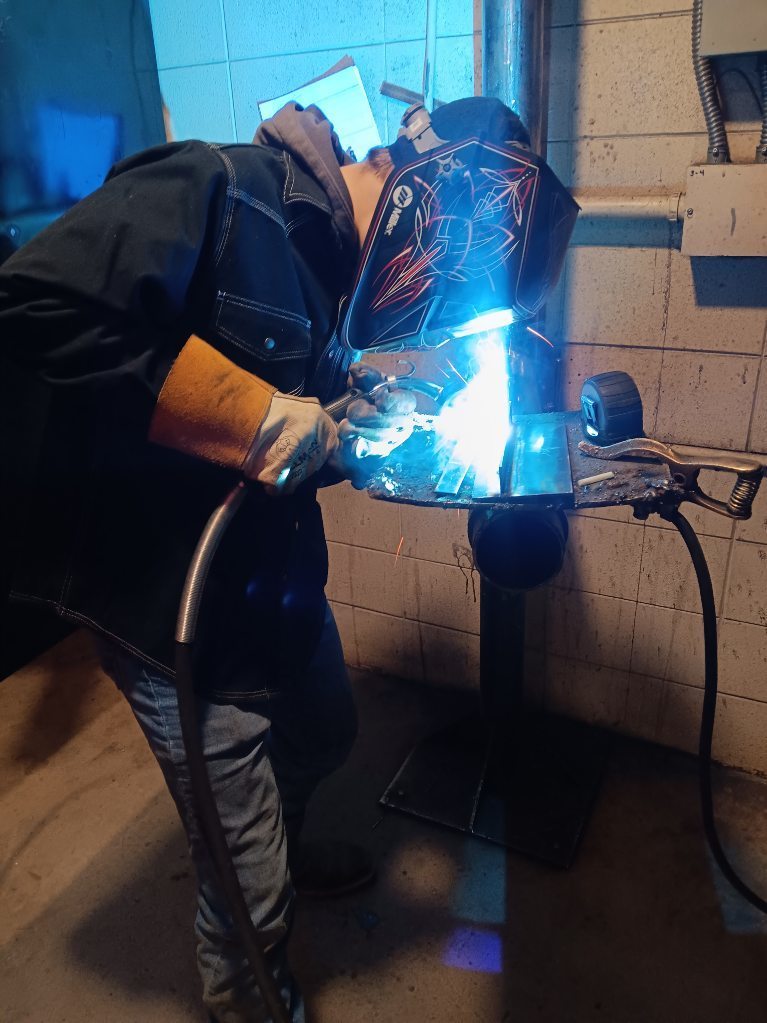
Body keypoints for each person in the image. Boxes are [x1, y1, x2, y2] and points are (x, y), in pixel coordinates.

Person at [1, 94, 572, 1022]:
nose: (430, 301)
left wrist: (353, 429)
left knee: (323, 731)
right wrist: (256, 416)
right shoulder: (216, 188)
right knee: (247, 879)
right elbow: (35, 303)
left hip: (264, 573)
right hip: (164, 594)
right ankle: (249, 990)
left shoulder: (333, 266)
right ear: (416, 194)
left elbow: (284, 433)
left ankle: (284, 843)